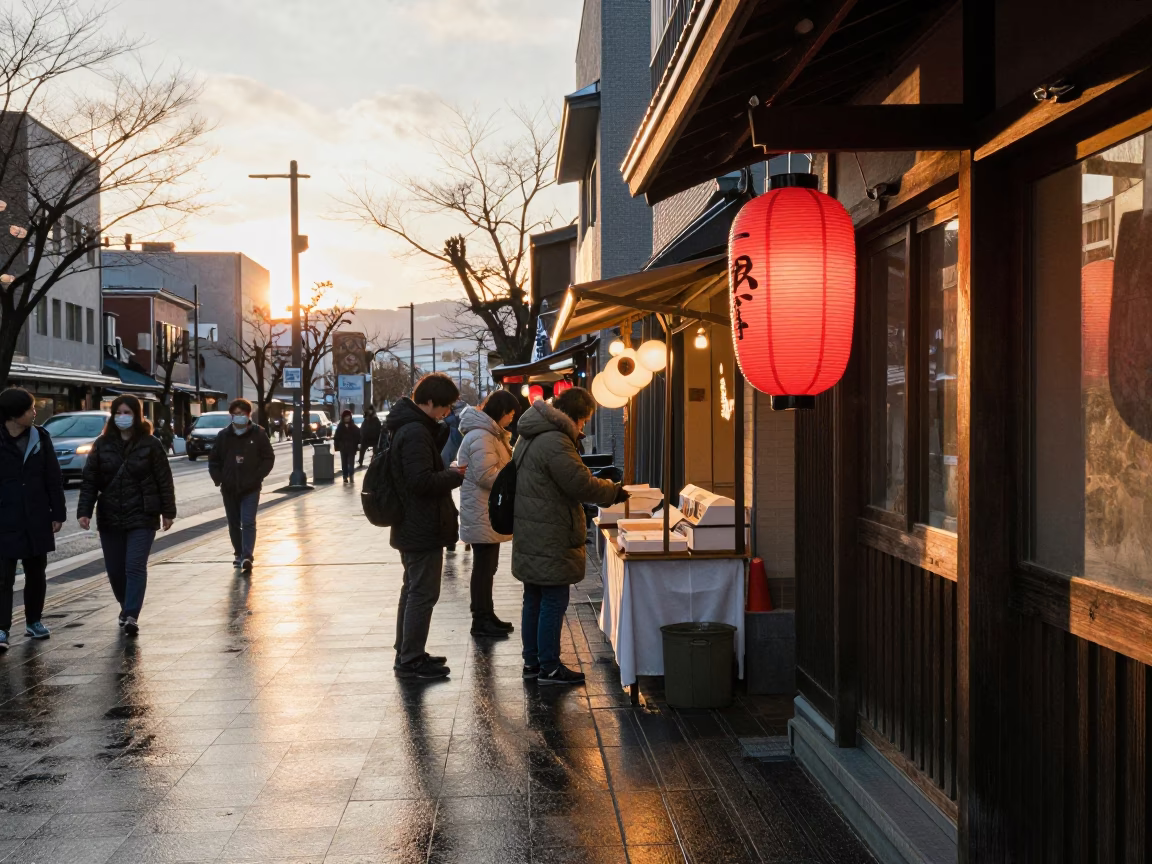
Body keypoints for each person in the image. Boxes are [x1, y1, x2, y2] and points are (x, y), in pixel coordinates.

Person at [512, 389, 625, 685]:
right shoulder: (555, 440)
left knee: (534, 597)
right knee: (553, 598)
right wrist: (614, 490)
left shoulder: (532, 434)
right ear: (576, 415)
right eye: (585, 420)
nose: (585, 426)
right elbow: (580, 484)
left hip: (533, 528)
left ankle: (532, 662)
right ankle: (549, 666)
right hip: (549, 530)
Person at [386, 373, 466, 679]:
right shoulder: (415, 432)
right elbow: (420, 481)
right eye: (443, 407)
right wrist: (456, 475)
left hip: (413, 523)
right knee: (422, 593)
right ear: (429, 401)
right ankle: (410, 660)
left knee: (413, 590)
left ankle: (409, 652)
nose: (446, 413)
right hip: (421, 523)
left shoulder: (411, 428)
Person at [77, 395, 176, 636]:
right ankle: (125, 607)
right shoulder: (102, 444)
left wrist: (168, 511)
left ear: (137, 414)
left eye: (127, 412)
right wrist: (84, 510)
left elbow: (164, 479)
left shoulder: (151, 443)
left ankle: (131, 613)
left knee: (134, 565)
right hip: (110, 514)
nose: (123, 417)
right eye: (118, 412)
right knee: (115, 570)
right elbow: (90, 479)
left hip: (143, 514)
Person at [0, 388, 66, 650]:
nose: (34, 412)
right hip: (4, 516)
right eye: (29, 409)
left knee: (36, 572)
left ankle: (34, 621)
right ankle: (2, 628)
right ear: (15, 415)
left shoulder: (40, 437)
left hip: (36, 515)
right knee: (3, 576)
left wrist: (57, 512)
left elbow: (53, 476)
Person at [456, 390, 520, 639]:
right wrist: (512, 477)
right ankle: (480, 618)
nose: (511, 419)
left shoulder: (490, 434)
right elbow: (486, 476)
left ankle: (486, 614)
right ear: (502, 412)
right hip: (482, 509)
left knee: (487, 567)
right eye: (511, 414)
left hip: (484, 509)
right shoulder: (483, 437)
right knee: (483, 568)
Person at [208, 399, 275, 572]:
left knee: (248, 521)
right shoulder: (224, 436)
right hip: (229, 487)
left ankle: (247, 555)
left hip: (251, 487)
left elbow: (268, 457)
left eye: (242, 414)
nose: (239, 417)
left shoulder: (258, 434)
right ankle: (238, 553)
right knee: (233, 522)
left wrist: (258, 475)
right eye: (236, 414)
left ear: (248, 415)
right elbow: (214, 460)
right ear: (231, 415)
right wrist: (219, 479)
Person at [333, 409, 361, 484]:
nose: (347, 418)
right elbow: (336, 437)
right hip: (343, 448)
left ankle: (351, 475)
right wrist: (337, 446)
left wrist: (358, 444)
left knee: (351, 463)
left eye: (348, 416)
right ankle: (345, 476)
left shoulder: (353, 426)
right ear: (343, 417)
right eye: (346, 416)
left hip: (352, 448)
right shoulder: (340, 426)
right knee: (344, 463)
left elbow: (358, 436)